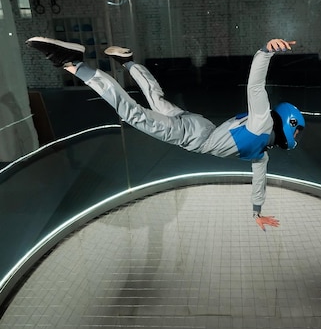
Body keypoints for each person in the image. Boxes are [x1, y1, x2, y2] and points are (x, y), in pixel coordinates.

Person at [26, 36, 305, 230]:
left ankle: (129, 62)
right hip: (192, 136)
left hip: (201, 125)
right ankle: (74, 63)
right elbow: (255, 86)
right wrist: (266, 52)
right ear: (288, 126)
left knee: (157, 100)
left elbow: (259, 184)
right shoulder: (261, 126)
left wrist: (257, 212)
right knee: (131, 113)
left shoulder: (262, 155)